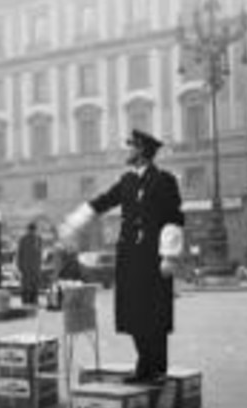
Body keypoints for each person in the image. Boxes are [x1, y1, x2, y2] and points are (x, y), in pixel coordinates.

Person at [59, 129, 185, 383]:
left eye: (131, 147)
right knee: (134, 313)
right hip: (130, 257)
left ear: (142, 151)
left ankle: (156, 369)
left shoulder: (165, 180)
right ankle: (143, 365)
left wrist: (170, 255)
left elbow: (173, 217)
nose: (128, 151)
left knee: (155, 314)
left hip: (154, 257)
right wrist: (75, 222)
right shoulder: (126, 181)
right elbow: (103, 201)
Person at [16, 222, 43, 306]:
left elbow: (39, 254)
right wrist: (20, 266)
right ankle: (26, 301)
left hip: (35, 267)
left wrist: (39, 265)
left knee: (34, 284)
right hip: (26, 267)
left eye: (33, 230)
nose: (32, 232)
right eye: (31, 230)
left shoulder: (38, 239)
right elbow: (19, 254)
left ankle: (34, 300)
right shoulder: (23, 239)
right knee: (26, 285)